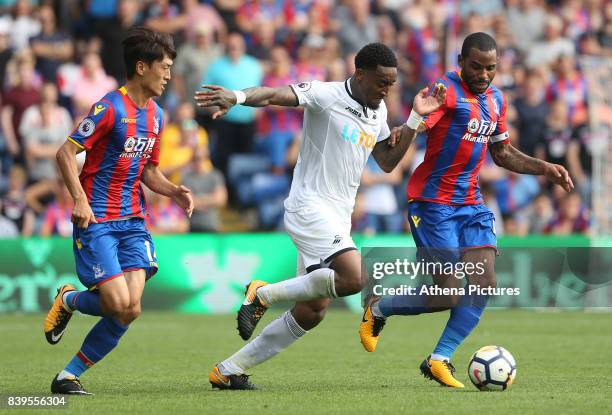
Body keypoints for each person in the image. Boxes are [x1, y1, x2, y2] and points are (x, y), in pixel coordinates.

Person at [194, 42, 446, 390]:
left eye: (391, 83)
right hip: (309, 206)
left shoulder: (379, 111)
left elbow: (387, 162)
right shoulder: (326, 94)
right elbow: (271, 95)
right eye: (381, 82)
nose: (386, 90)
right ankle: (262, 294)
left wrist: (416, 119)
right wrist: (236, 97)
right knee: (355, 277)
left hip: (338, 217)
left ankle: (227, 370)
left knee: (312, 311)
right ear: (360, 74)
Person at [358, 32, 573, 388]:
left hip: (471, 203)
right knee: (446, 293)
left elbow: (502, 154)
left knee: (485, 282)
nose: (484, 74)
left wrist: (544, 168)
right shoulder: (445, 90)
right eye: (476, 66)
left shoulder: (497, 100)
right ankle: (378, 308)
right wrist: (407, 124)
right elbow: (422, 120)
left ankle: (439, 359)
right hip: (432, 204)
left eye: (491, 67)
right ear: (461, 61)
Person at [43, 27, 193, 395]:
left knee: (130, 309)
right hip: (97, 220)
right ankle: (70, 299)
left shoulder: (157, 115)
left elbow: (148, 170)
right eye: (165, 66)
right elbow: (65, 153)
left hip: (134, 222)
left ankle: (68, 376)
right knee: (115, 302)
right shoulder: (109, 107)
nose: (169, 75)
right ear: (142, 67)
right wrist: (78, 198)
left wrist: (173, 190)